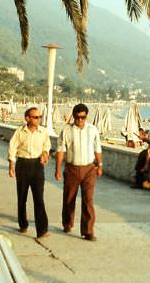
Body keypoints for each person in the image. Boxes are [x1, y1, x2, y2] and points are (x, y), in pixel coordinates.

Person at [55, 103, 102, 241]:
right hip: (72, 168)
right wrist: (57, 169)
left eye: (83, 117)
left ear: (86, 116)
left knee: (88, 200)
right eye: (77, 117)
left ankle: (88, 231)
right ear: (73, 116)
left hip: (89, 169)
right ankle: (67, 224)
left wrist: (100, 165)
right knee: (69, 198)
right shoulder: (66, 130)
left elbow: (97, 148)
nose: (80, 120)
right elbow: (60, 151)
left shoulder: (93, 130)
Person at [8, 107, 51, 239]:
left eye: (40, 117)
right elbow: (12, 147)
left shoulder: (43, 132)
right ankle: (23, 224)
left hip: (37, 166)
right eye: (36, 117)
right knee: (22, 197)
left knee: (39, 198)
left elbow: (46, 145)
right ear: (28, 118)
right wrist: (11, 164)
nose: (39, 119)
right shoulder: (20, 132)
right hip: (23, 165)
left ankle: (42, 230)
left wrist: (45, 153)